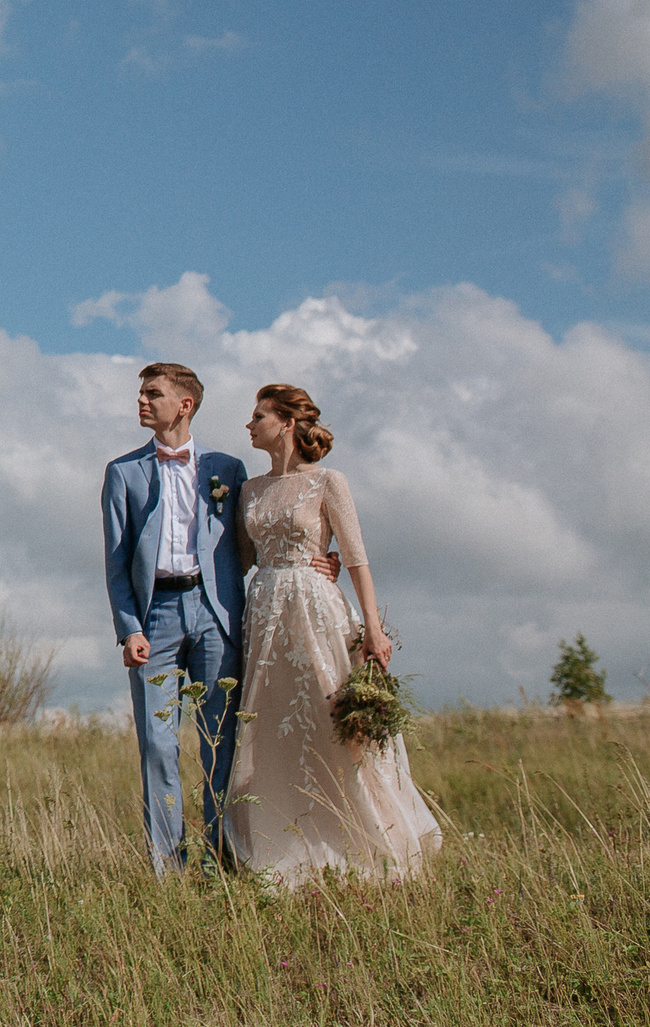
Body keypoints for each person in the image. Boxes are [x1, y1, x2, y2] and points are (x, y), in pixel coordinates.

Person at [225, 383, 441, 882]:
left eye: (258, 416)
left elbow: (358, 558)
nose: (249, 425)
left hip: (316, 608)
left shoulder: (328, 483)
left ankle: (364, 841)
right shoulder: (249, 490)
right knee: (268, 725)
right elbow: (240, 562)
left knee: (333, 722)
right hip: (264, 611)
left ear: (285, 423)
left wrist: (373, 629)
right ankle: (277, 842)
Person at [102, 363, 260, 870]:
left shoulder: (228, 470)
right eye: (141, 394)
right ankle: (169, 868)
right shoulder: (123, 472)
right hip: (156, 616)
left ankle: (222, 859)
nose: (142, 402)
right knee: (156, 743)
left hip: (216, 615)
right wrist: (130, 629)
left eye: (153, 394)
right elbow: (117, 561)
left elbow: (249, 545)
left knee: (221, 740)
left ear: (184, 405)